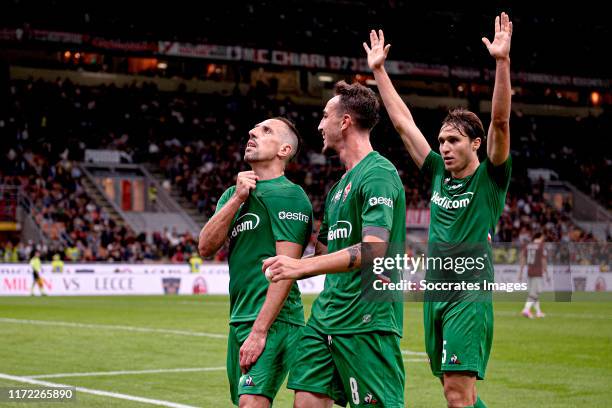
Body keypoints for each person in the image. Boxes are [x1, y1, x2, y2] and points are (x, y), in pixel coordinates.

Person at [364, 12, 513, 408]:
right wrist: (379, 71)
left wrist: (501, 62)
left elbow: (500, 121)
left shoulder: (491, 179)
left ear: (476, 144)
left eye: (453, 140)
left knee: (457, 394)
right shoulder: (435, 173)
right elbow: (401, 123)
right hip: (436, 291)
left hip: (469, 291)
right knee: (454, 390)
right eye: (441, 140)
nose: (444, 147)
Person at [264, 81, 406, 407]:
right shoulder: (338, 188)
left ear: (344, 122)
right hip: (324, 319)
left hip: (366, 321)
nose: (319, 125)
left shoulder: (379, 174)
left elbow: (373, 250)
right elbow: (323, 254)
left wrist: (300, 266)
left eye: (325, 116)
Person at [198, 117, 312, 408]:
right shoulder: (232, 193)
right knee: (243, 402)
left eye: (266, 130)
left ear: (284, 149)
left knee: (252, 402)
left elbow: (286, 270)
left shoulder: (291, 195)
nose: (252, 132)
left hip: (273, 319)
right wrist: (236, 199)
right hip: (239, 318)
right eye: (254, 129)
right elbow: (205, 247)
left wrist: (260, 330)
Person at [518, 232, 549, 318]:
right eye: (543, 237)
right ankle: (526, 309)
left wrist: (520, 272)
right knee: (535, 292)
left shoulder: (528, 246)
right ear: (540, 237)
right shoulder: (541, 246)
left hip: (530, 271)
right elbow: (543, 260)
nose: (543, 239)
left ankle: (538, 312)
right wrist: (546, 272)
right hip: (537, 272)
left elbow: (522, 258)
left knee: (534, 291)